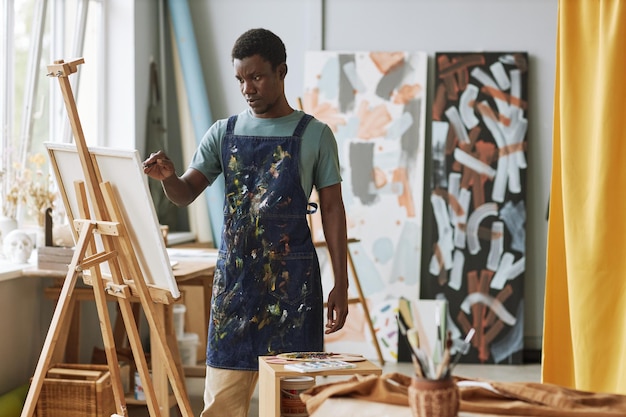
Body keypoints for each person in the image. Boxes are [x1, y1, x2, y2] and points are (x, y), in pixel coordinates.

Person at [143, 28, 349, 417]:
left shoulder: (316, 135)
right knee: (220, 406)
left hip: (295, 294)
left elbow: (334, 210)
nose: (247, 88)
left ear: (281, 71)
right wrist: (169, 177)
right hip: (234, 294)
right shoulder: (223, 133)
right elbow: (186, 192)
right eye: (240, 79)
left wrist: (342, 281)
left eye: (256, 77)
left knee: (295, 407)